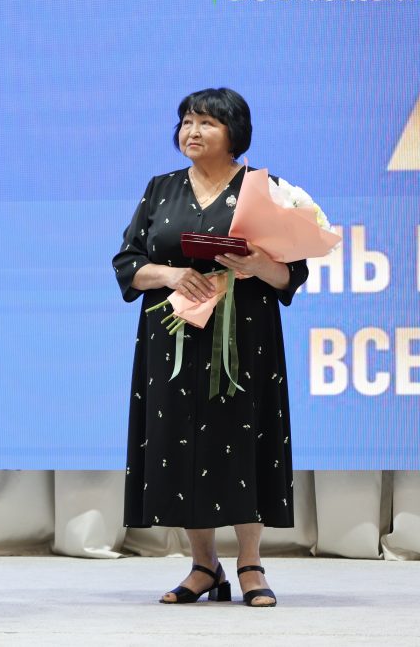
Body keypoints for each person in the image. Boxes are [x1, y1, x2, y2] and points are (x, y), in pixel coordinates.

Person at [112, 88, 308, 608]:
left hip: (245, 336)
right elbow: (128, 263)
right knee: (180, 444)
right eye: (186, 122)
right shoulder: (161, 188)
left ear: (234, 133)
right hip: (172, 337)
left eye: (206, 123)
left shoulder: (263, 189)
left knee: (245, 440)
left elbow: (293, 272)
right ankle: (204, 566)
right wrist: (171, 274)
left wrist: (259, 265)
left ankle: (250, 564)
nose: (191, 132)